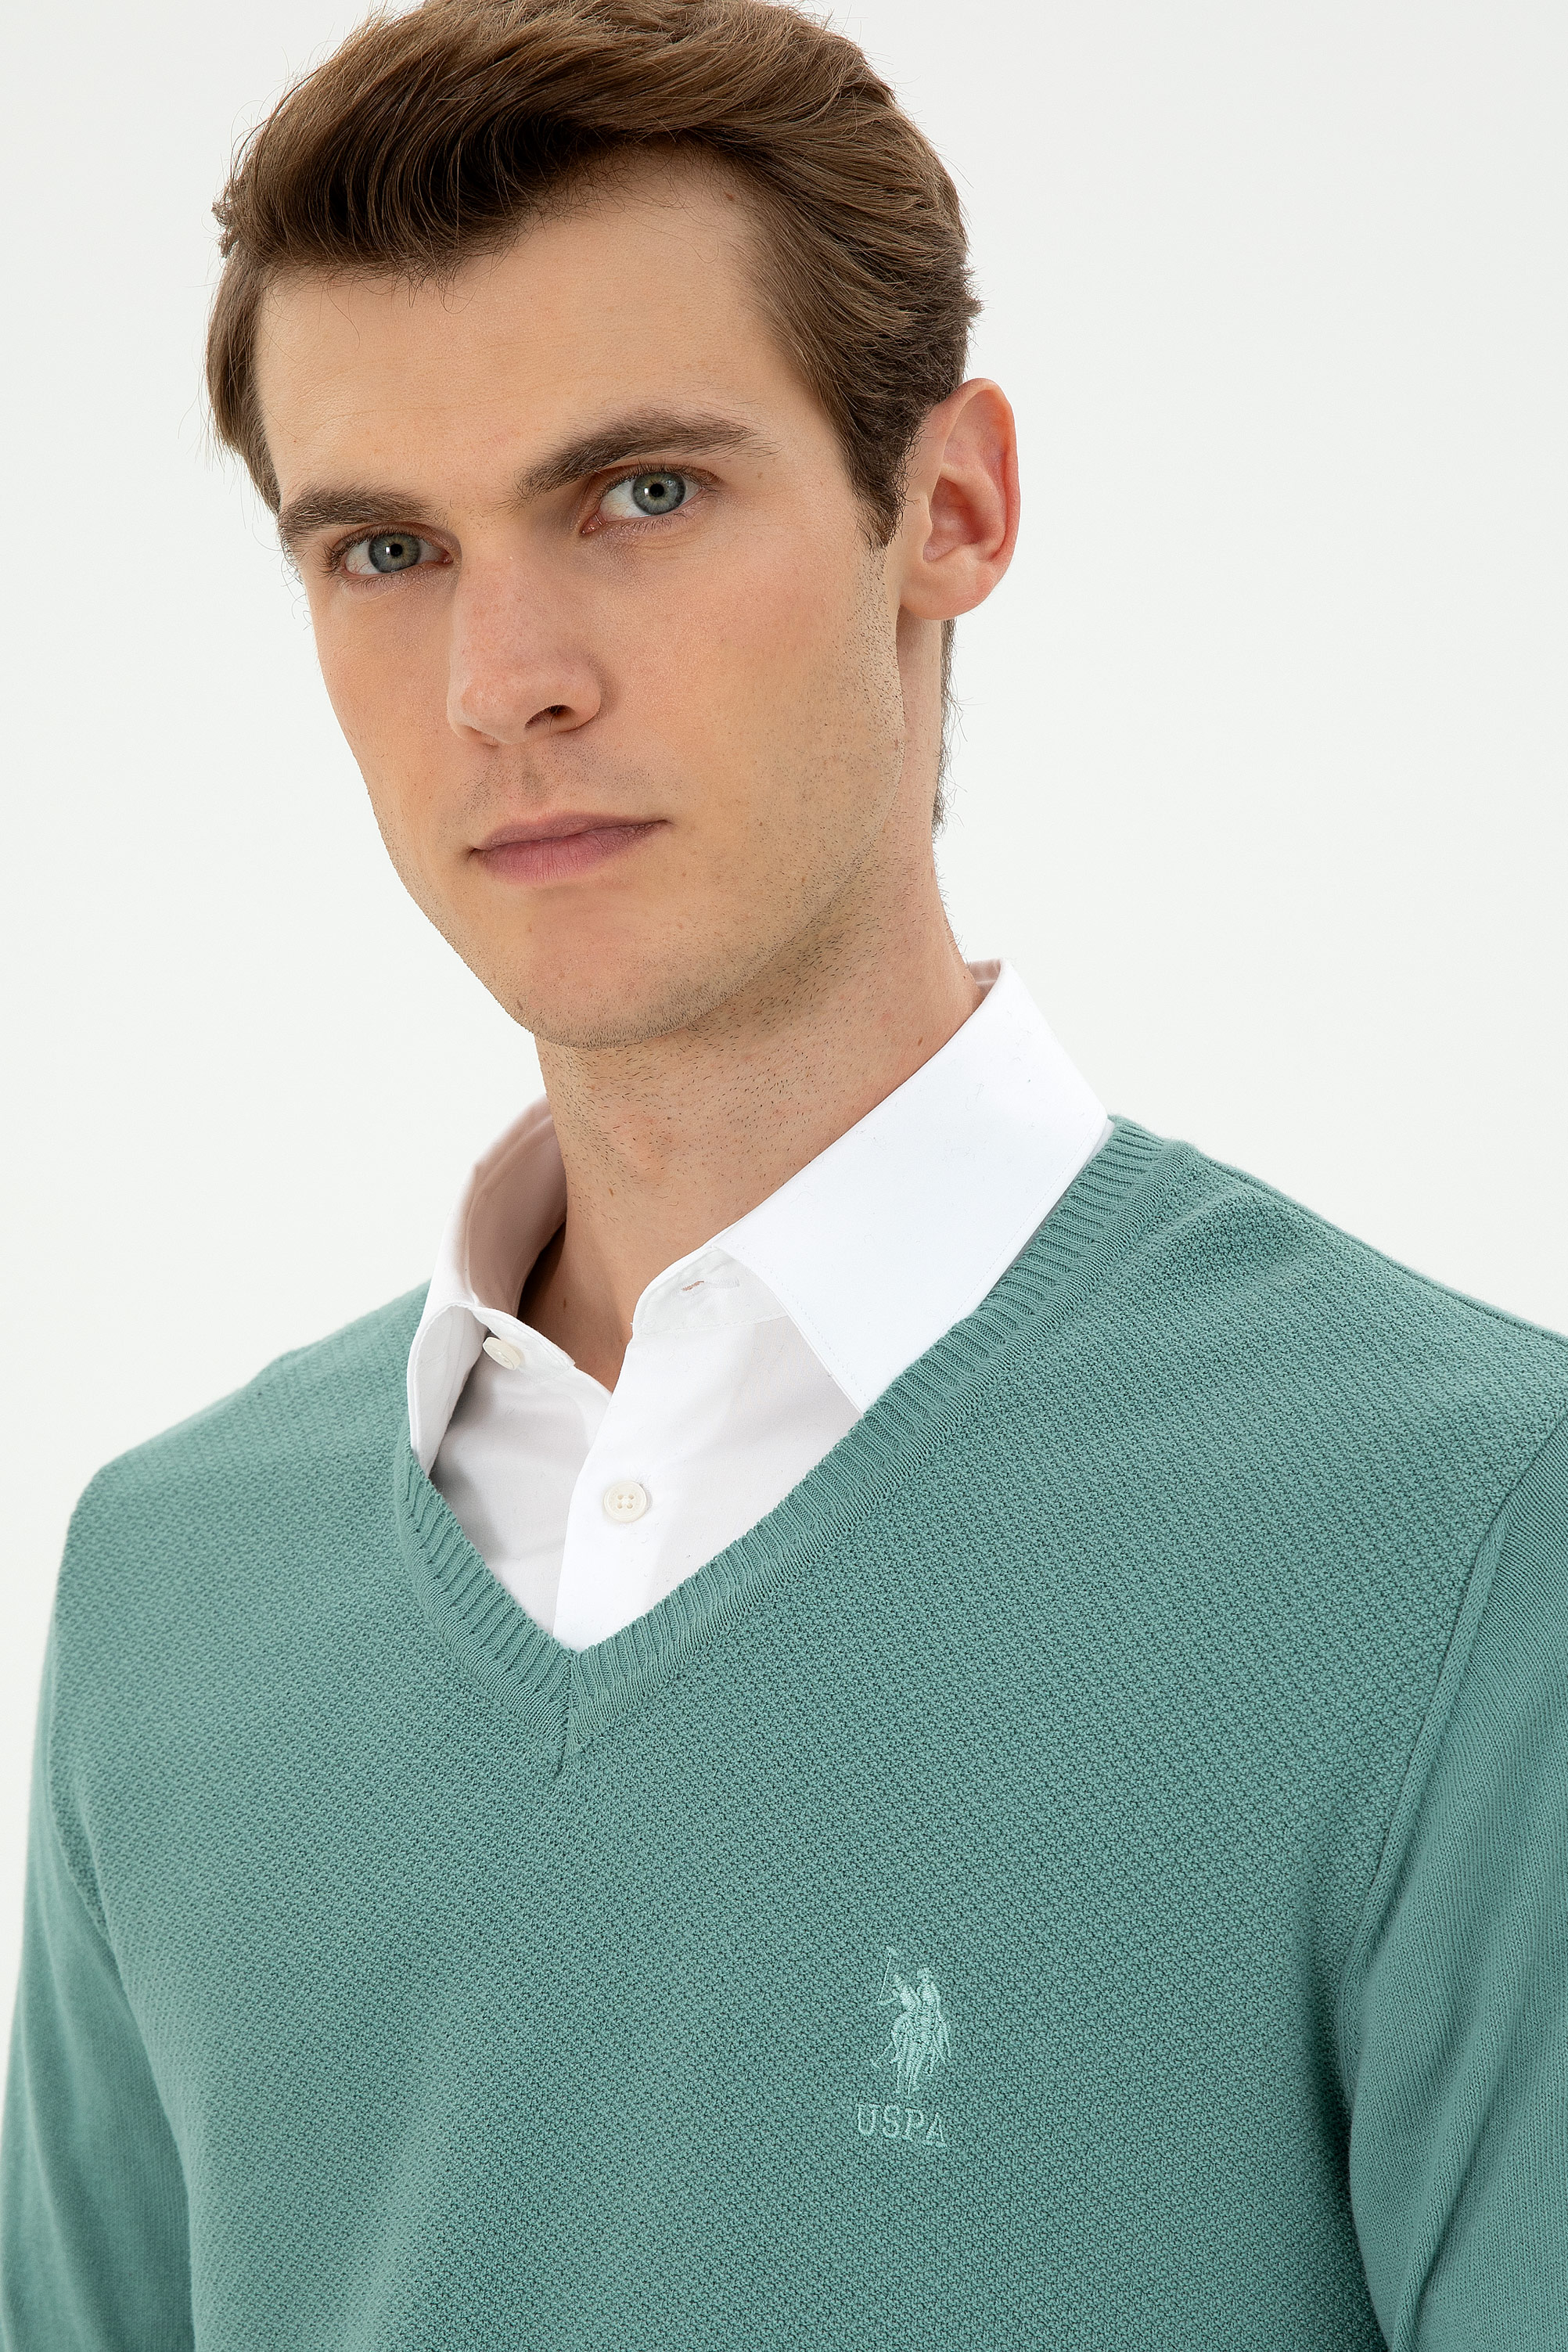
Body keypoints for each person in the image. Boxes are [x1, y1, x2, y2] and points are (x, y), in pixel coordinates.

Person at [2, 0, 1565, 2344]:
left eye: (639, 493)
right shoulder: (171, 1585)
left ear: (950, 510)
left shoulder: (1469, 1541)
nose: (503, 679)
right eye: (385, 546)